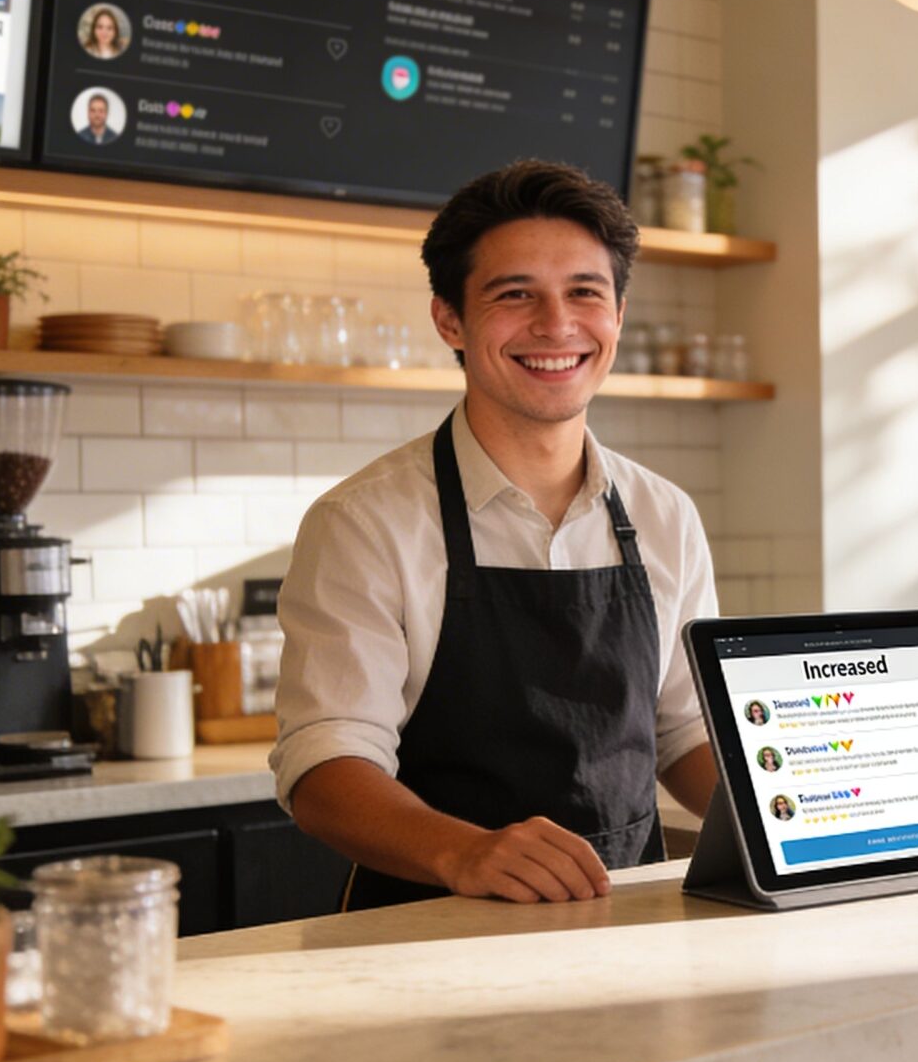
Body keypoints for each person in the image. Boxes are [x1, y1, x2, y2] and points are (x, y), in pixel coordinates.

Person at [272, 161, 720, 907]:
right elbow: (324, 763)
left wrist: (798, 816)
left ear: (618, 314)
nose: (556, 325)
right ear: (450, 318)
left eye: (584, 292)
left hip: (624, 923)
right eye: (516, 295)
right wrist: (464, 850)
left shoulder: (664, 514)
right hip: (421, 936)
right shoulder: (364, 522)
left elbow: (684, 732)